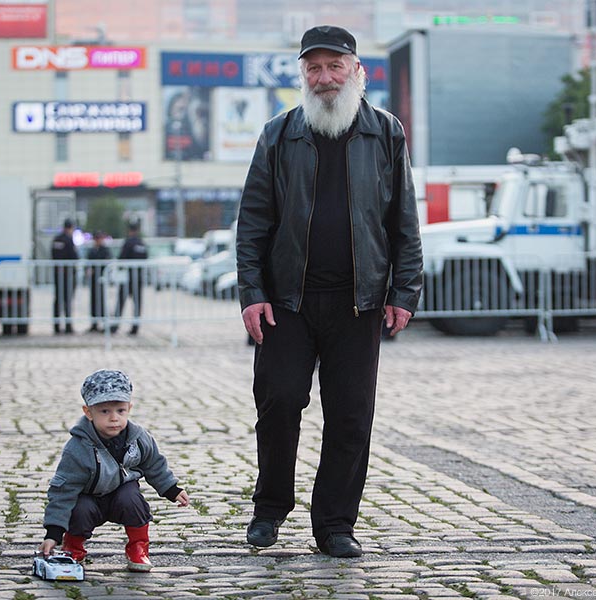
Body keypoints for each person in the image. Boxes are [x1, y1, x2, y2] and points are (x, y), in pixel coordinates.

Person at [235, 25, 423, 558]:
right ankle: (270, 509)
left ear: (356, 72)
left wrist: (404, 292)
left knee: (349, 415)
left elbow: (403, 218)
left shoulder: (386, 133)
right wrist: (252, 292)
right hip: (286, 301)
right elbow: (252, 221)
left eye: (334, 66)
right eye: (313, 68)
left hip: (358, 301)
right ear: (303, 76)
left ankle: (336, 525)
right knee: (279, 403)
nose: (324, 78)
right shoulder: (279, 133)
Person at [38, 369, 190, 572]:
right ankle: (73, 547)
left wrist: (171, 489)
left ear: (129, 408)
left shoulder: (138, 438)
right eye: (104, 411)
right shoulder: (78, 448)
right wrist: (53, 533)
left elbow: (154, 464)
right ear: (88, 412)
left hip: (121, 494)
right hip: (88, 498)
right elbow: (63, 490)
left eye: (120, 410)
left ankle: (138, 548)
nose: (113, 418)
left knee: (133, 499)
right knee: (79, 510)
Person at [112, 221, 148, 335]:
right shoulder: (142, 243)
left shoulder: (128, 243)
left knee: (121, 301)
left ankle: (115, 325)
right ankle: (135, 327)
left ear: (129, 230)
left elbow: (121, 258)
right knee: (137, 303)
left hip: (127, 278)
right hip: (138, 278)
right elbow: (146, 258)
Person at [51, 218, 79, 334]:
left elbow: (53, 255)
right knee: (67, 300)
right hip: (67, 276)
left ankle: (56, 326)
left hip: (58, 275)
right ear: (71, 228)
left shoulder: (56, 239)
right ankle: (68, 326)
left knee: (58, 300)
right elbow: (74, 256)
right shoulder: (68, 240)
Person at [86, 231, 112, 333]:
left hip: (102, 280)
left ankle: (104, 323)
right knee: (93, 301)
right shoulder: (92, 250)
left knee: (102, 301)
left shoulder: (105, 250)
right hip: (93, 280)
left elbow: (107, 263)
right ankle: (94, 323)